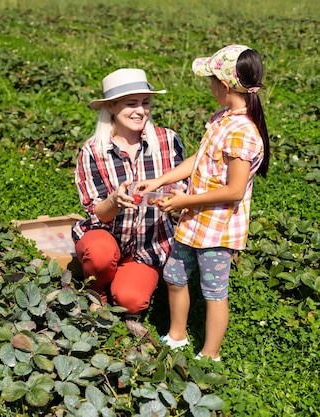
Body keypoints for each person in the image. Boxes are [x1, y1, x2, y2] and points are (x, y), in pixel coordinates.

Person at [135, 45, 270, 361]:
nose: (209, 87)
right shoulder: (222, 118)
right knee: (174, 276)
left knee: (213, 293)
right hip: (194, 220)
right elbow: (200, 159)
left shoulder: (243, 133)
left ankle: (210, 354)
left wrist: (186, 200)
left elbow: (234, 191)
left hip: (217, 230)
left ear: (224, 86)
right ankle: (177, 334)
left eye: (211, 80)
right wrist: (161, 181)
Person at [72, 68, 185, 317]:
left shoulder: (167, 141)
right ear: (111, 107)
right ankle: (98, 290)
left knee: (130, 301)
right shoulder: (93, 151)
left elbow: (183, 185)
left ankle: (121, 282)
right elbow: (97, 213)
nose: (140, 111)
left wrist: (175, 199)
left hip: (148, 245)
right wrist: (114, 200)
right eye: (131, 103)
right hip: (107, 235)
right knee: (100, 255)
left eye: (145, 103)